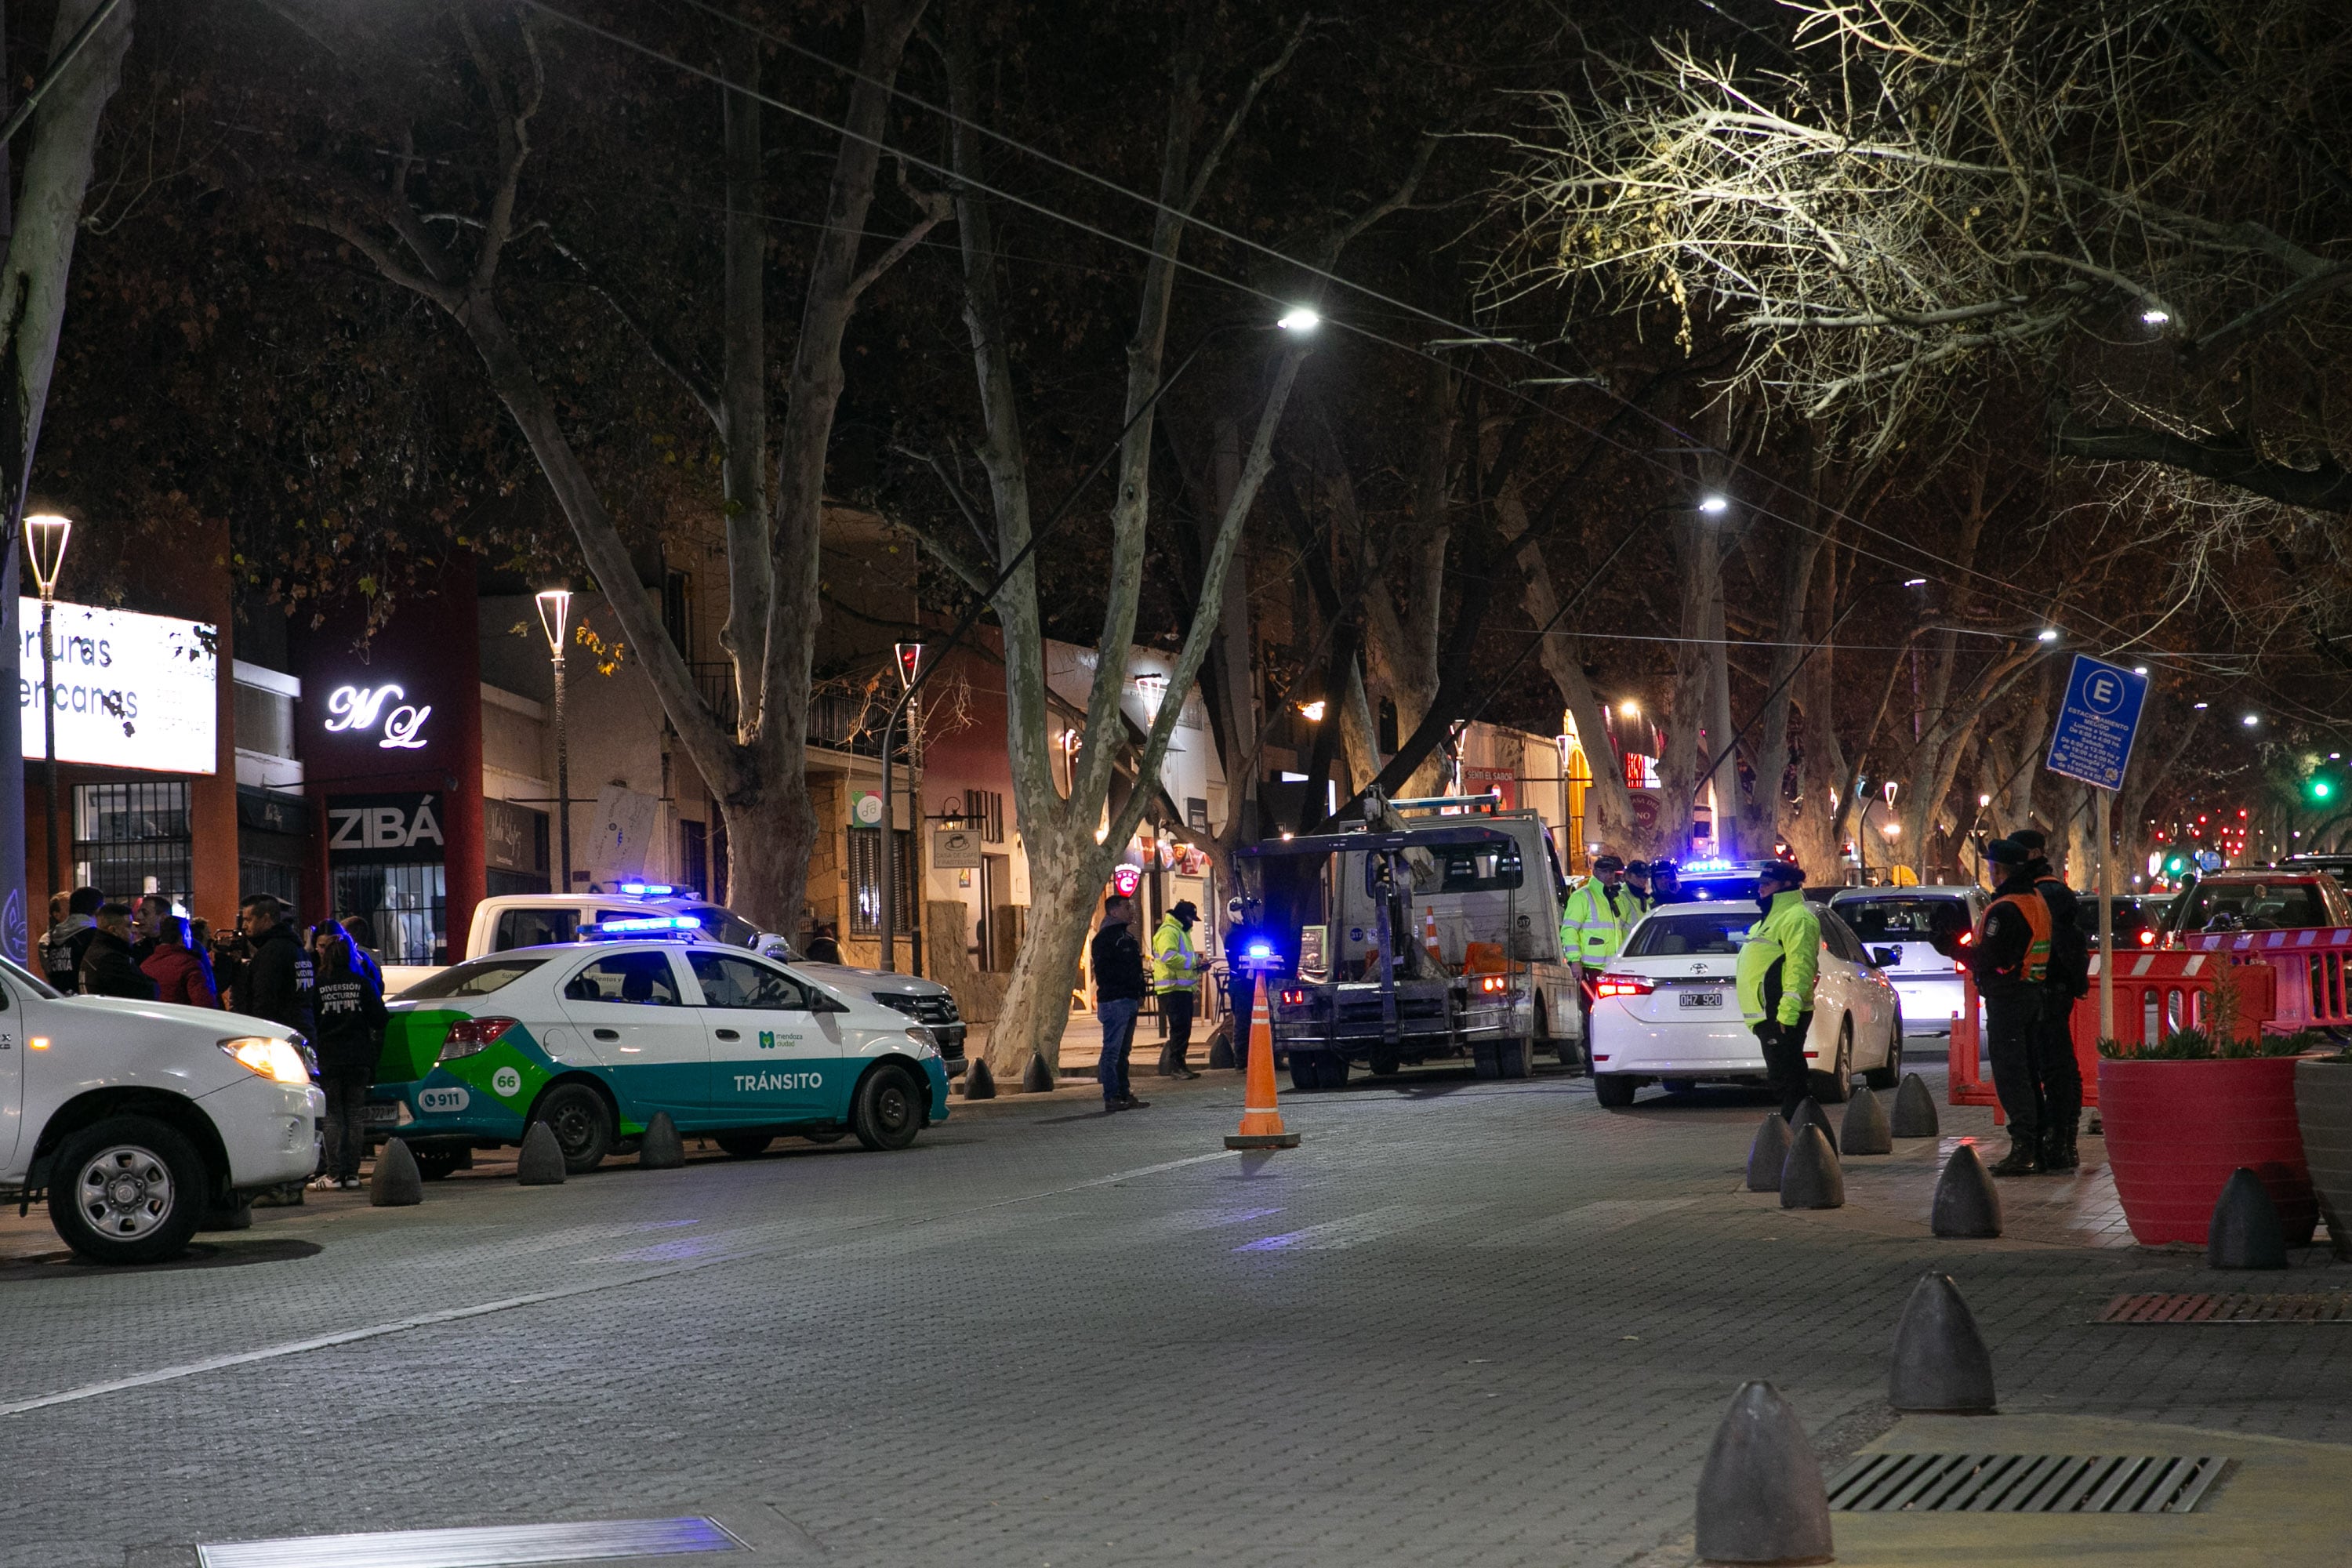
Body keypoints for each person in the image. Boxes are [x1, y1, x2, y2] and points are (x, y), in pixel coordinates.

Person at [1944, 838, 2052, 1175]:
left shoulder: (2006, 909)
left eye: (1992, 868)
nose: (1990, 873)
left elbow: (1991, 958)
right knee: (2029, 1074)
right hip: (2032, 995)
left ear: (2001, 870)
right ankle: (2037, 1146)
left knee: (2012, 1076)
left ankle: (2024, 1150)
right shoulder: (2033, 899)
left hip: (2010, 998)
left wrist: (1950, 947)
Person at [2010, 828, 2088, 1172]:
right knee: (2059, 1067)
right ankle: (2061, 1143)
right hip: (2052, 990)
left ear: (2029, 855)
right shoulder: (2050, 889)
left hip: (2045, 990)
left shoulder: (2044, 893)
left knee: (2053, 1068)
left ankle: (2058, 1142)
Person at [1737, 859, 1822, 1119]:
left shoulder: (1797, 918)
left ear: (1786, 885)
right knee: (1783, 1077)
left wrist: (1788, 1013)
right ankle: (1800, 1132)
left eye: (1767, 884)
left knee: (1788, 1079)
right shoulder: (1769, 920)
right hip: (1769, 1014)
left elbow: (1801, 967)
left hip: (1781, 1014)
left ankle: (1800, 1133)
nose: (1761, 889)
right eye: (1759, 884)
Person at [309, 921, 387, 1191]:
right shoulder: (363, 983)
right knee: (354, 1115)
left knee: (332, 1116)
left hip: (329, 1058)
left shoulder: (318, 986)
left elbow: (311, 1023)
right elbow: (380, 1019)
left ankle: (332, 1175)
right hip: (359, 1057)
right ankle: (352, 1175)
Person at [1560, 853, 1637, 1068]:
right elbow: (1569, 930)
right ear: (1596, 872)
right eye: (1606, 872)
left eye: (1613, 872)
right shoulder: (1583, 896)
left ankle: (1613, 1059)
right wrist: (1575, 961)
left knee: (1615, 1016)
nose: (1610, 876)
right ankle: (1592, 1064)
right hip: (1591, 968)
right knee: (1593, 1016)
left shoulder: (1615, 897)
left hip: (1615, 970)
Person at [1090, 894, 1148, 1111]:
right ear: (1113, 911)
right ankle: (1112, 1096)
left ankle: (1124, 1093)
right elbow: (1107, 972)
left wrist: (1139, 992)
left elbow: (1135, 970)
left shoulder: (1126, 938)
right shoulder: (1107, 939)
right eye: (1126, 907)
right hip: (1116, 1001)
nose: (1131, 911)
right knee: (1112, 1050)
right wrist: (1127, 987)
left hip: (1129, 999)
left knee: (1123, 1051)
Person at [237, 893, 317, 1042]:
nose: (244, 926)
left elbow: (264, 1000)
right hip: (304, 1031)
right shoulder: (297, 948)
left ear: (266, 919)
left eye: (249, 920)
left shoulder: (272, 953)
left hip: (279, 1037)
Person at [1152, 899, 1211, 1079]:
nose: (1192, 922)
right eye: (1190, 918)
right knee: (1179, 1028)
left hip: (1181, 988)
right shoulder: (1169, 932)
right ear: (1182, 916)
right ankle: (1176, 1067)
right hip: (1172, 988)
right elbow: (1169, 957)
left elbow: (1183, 959)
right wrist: (1194, 962)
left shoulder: (1181, 932)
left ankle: (1181, 1065)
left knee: (1183, 1029)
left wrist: (1198, 967)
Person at [80, 902, 160, 1000]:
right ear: (113, 930)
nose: (134, 930)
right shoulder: (111, 959)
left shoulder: (97, 951)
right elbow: (146, 990)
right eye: (129, 926)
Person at [140, 914, 220, 1007]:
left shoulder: (145, 965)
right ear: (184, 937)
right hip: (181, 1020)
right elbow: (205, 1004)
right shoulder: (190, 965)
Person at [41, 886, 102, 994]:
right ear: (98, 910)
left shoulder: (54, 939)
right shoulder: (92, 937)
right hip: (86, 1003)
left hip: (62, 1002)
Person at [129, 892, 173, 966]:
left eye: (145, 913)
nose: (138, 917)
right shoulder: (136, 949)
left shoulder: (178, 947)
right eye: (139, 912)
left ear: (163, 917)